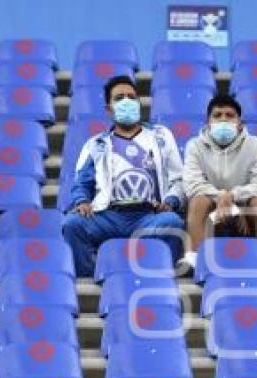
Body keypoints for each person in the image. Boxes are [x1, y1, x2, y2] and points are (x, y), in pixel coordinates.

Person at [63, 75, 186, 277]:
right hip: (108, 216)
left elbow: (178, 178)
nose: (127, 101)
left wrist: (171, 200)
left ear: (139, 103)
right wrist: (82, 200)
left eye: (131, 97)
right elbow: (82, 182)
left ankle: (162, 277)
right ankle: (91, 278)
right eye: (119, 98)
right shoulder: (96, 144)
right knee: (72, 224)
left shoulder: (161, 136)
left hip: (148, 216)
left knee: (172, 223)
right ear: (109, 109)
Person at [180, 93, 257, 269]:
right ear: (208, 122)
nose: (223, 120)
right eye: (217, 115)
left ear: (240, 122)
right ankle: (196, 259)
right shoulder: (194, 145)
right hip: (210, 209)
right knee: (197, 200)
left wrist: (232, 197)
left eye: (229, 115)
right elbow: (192, 185)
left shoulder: (254, 144)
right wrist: (223, 198)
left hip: (245, 207)